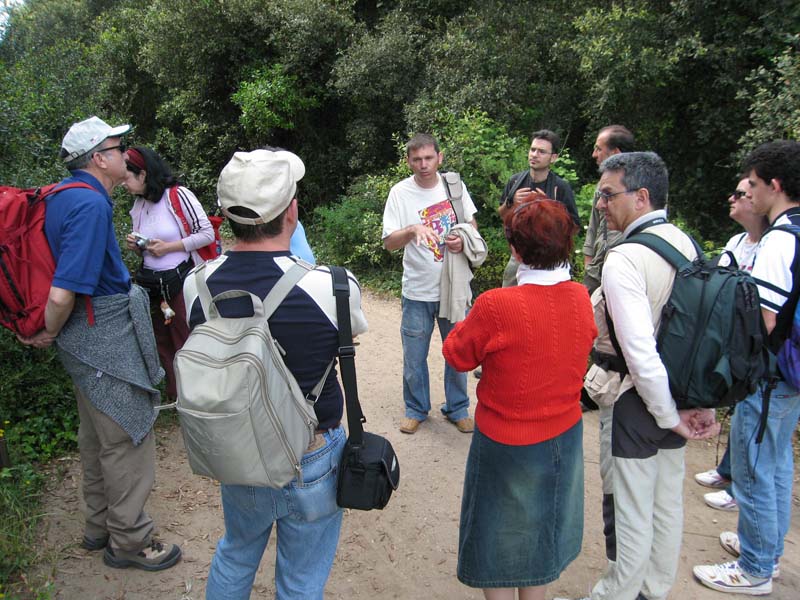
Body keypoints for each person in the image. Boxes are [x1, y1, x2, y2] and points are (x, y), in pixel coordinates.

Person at [183, 149, 368, 599]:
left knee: (236, 552)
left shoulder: (197, 284)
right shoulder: (335, 286)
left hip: (239, 450)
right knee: (301, 579)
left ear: (225, 219)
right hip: (313, 453)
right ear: (292, 212)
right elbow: (351, 334)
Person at [16, 116, 181, 571]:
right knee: (127, 433)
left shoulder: (60, 197)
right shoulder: (90, 206)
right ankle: (129, 541)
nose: (125, 152)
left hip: (82, 337)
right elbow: (64, 289)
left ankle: (98, 526)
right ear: (99, 158)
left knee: (95, 434)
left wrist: (57, 330)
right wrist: (47, 328)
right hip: (100, 335)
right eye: (117, 145)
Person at [558, 152, 720, 600]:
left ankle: (615, 594)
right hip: (682, 395)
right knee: (666, 504)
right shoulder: (688, 245)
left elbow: (638, 352)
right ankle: (653, 590)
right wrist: (692, 407)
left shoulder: (624, 258)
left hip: (639, 402)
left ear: (641, 196)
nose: (600, 205)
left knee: (628, 509)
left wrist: (666, 414)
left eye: (608, 195)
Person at [443, 196, 596, 600]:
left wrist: (466, 321)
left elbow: (457, 356)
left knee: (496, 537)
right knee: (542, 528)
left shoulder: (496, 304)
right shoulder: (581, 297)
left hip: (505, 441)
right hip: (563, 434)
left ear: (514, 248)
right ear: (568, 245)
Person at [694, 141, 800, 596]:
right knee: (775, 465)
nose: (748, 194)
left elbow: (765, 317)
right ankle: (767, 549)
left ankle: (755, 568)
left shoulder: (778, 240)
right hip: (789, 374)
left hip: (767, 375)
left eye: (752, 185)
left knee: (755, 469)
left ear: (774, 186)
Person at [382, 133, 479, 435]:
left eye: (428, 158)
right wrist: (412, 229)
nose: (423, 165)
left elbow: (472, 227)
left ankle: (458, 407)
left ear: (440, 157)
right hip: (417, 289)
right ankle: (416, 409)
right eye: (416, 159)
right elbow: (388, 243)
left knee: (457, 352)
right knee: (414, 355)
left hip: (454, 287)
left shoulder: (454, 187)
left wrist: (459, 240)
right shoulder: (400, 193)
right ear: (408, 161)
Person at [694, 177, 768, 514]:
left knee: (751, 415)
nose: (731, 198)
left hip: (754, 346)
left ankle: (741, 487)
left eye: (740, 193)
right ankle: (728, 471)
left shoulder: (773, 246)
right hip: (729, 336)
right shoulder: (738, 240)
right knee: (739, 410)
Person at [123, 146, 214, 402]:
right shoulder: (139, 204)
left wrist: (169, 247)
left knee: (186, 338)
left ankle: (200, 395)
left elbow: (206, 233)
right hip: (153, 283)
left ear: (142, 174)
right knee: (162, 343)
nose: (124, 184)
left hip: (180, 280)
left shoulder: (177, 195)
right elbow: (150, 245)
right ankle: (177, 396)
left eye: (127, 178)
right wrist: (139, 246)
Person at [497, 129, 579, 287]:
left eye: (541, 151)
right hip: (519, 256)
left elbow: (574, 227)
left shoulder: (560, 188)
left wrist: (549, 209)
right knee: (509, 298)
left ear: (553, 157)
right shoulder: (515, 182)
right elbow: (501, 215)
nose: (534, 154)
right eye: (533, 149)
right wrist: (511, 203)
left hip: (551, 258)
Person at [582, 125, 634, 295]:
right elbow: (593, 225)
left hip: (623, 270)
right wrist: (588, 262)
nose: (594, 155)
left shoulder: (640, 186)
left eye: (598, 149)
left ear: (615, 153)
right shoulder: (602, 183)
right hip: (595, 272)